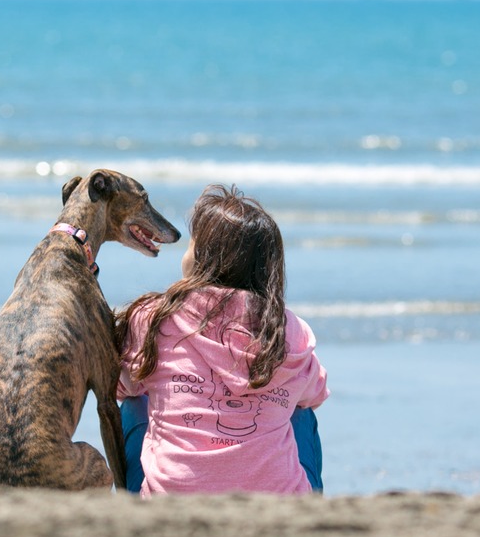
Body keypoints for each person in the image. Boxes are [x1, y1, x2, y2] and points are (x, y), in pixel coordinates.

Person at [115, 184, 328, 496]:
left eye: (191, 244)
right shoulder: (286, 329)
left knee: (135, 404)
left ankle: (130, 504)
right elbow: (316, 392)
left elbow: (122, 386)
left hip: (169, 502)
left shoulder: (155, 318)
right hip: (277, 505)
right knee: (301, 412)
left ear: (203, 258)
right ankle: (309, 505)